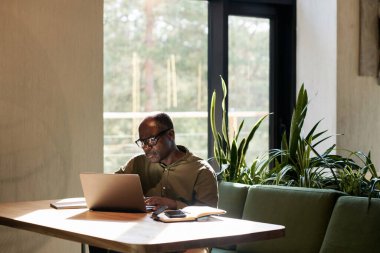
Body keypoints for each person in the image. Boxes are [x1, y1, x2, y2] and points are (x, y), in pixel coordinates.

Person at [89, 112, 218, 253]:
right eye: (142, 142)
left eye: (151, 140)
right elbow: (110, 188)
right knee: (97, 236)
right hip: (145, 233)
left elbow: (208, 218)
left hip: (185, 238)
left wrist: (174, 205)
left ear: (171, 135)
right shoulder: (138, 163)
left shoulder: (201, 170)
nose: (146, 147)